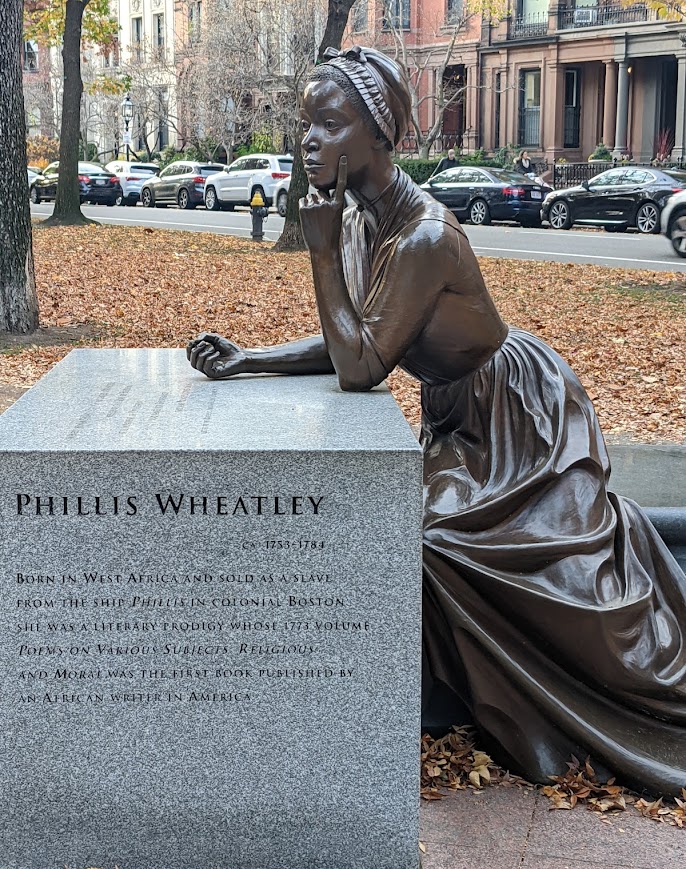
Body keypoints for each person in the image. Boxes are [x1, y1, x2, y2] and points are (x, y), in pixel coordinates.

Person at [187, 46, 686, 796]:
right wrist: (248, 359)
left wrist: (320, 253)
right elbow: (357, 337)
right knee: (420, 527)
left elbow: (362, 364)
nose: (309, 141)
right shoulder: (364, 219)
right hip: (457, 414)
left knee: (444, 540)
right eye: (306, 124)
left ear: (378, 133)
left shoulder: (424, 234)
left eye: (330, 124)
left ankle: (548, 697)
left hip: (517, 418)